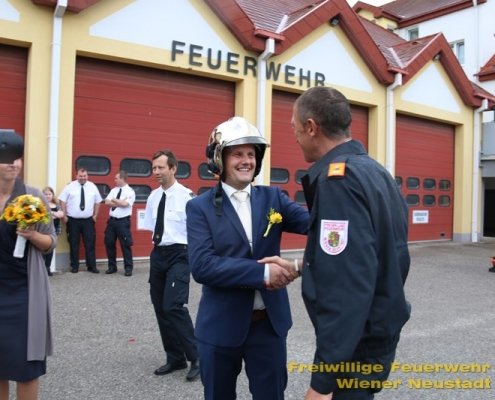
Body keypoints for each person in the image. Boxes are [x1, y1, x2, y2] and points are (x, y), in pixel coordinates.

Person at [266, 86, 411, 400]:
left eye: (294, 128)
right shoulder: (376, 172)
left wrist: (323, 383)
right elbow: (367, 256)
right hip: (377, 336)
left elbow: (347, 286)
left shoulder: (339, 181)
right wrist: (301, 265)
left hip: (354, 349)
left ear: (311, 127)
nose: (294, 137)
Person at [185, 116, 309, 399]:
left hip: (269, 327)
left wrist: (337, 196)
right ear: (219, 159)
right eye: (237, 154)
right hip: (220, 326)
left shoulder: (273, 198)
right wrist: (263, 273)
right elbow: (203, 266)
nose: (246, 161)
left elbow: (316, 225)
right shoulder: (199, 208)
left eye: (251, 154)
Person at [0, 131, 56, 400]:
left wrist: (32, 235)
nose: (13, 163)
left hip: (23, 293)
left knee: (26, 368)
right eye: (6, 157)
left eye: (17, 157)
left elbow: (51, 242)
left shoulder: (32, 197)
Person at [142, 150, 200, 382]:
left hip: (180, 254)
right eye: (154, 168)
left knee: (174, 306)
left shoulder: (187, 197)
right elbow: (152, 226)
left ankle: (197, 357)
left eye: (161, 167)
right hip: (159, 253)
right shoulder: (153, 197)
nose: (156, 172)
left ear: (173, 168)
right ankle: (175, 358)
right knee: (160, 307)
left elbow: (197, 231)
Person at [59, 167, 102, 273]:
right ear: (76, 176)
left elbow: (98, 201)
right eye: (80, 176)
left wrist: (95, 215)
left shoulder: (92, 186)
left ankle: (91, 266)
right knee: (74, 243)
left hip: (88, 221)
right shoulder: (69, 186)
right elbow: (62, 200)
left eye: (84, 176)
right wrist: (64, 215)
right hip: (73, 221)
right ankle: (74, 266)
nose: (82, 178)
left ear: (87, 176)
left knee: (90, 243)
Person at [104, 171, 135, 277]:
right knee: (109, 243)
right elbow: (106, 202)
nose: (115, 180)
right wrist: (119, 202)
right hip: (112, 222)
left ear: (122, 179)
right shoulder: (113, 190)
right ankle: (112, 267)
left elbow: (125, 204)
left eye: (116, 178)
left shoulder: (130, 191)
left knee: (125, 245)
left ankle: (128, 268)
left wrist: (114, 200)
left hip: (123, 222)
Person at [42, 186, 64, 276]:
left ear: (52, 195)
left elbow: (61, 215)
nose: (47, 196)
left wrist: (51, 213)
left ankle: (48, 268)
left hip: (55, 230)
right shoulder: (40, 205)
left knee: (51, 249)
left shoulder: (57, 205)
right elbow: (42, 216)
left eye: (49, 194)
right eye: (45, 194)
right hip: (43, 230)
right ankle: (42, 269)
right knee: (43, 249)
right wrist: (55, 214)